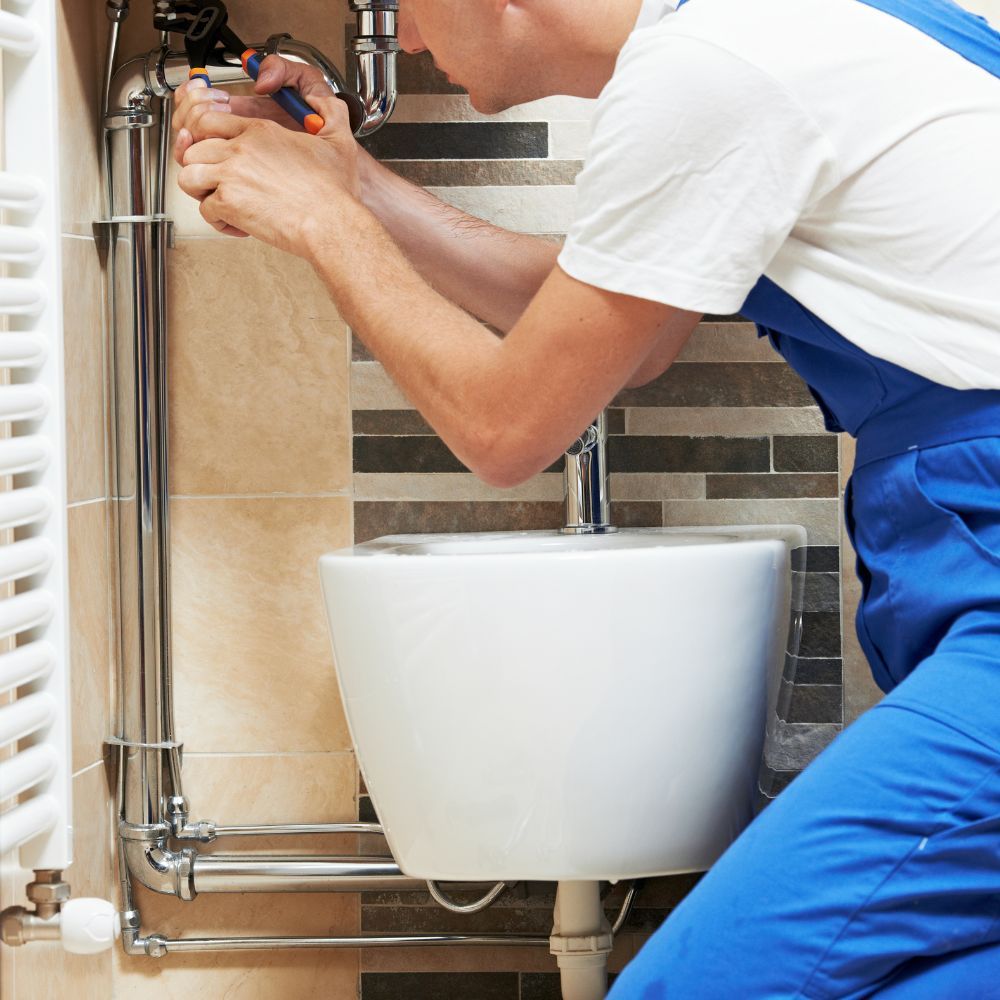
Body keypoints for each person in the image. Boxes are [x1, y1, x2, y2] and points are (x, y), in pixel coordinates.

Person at [171, 0, 1000, 995]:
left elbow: (509, 427)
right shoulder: (792, 30)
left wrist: (323, 222)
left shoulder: (710, 69)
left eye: (407, 8)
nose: (415, 43)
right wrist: (353, 182)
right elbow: (620, 331)